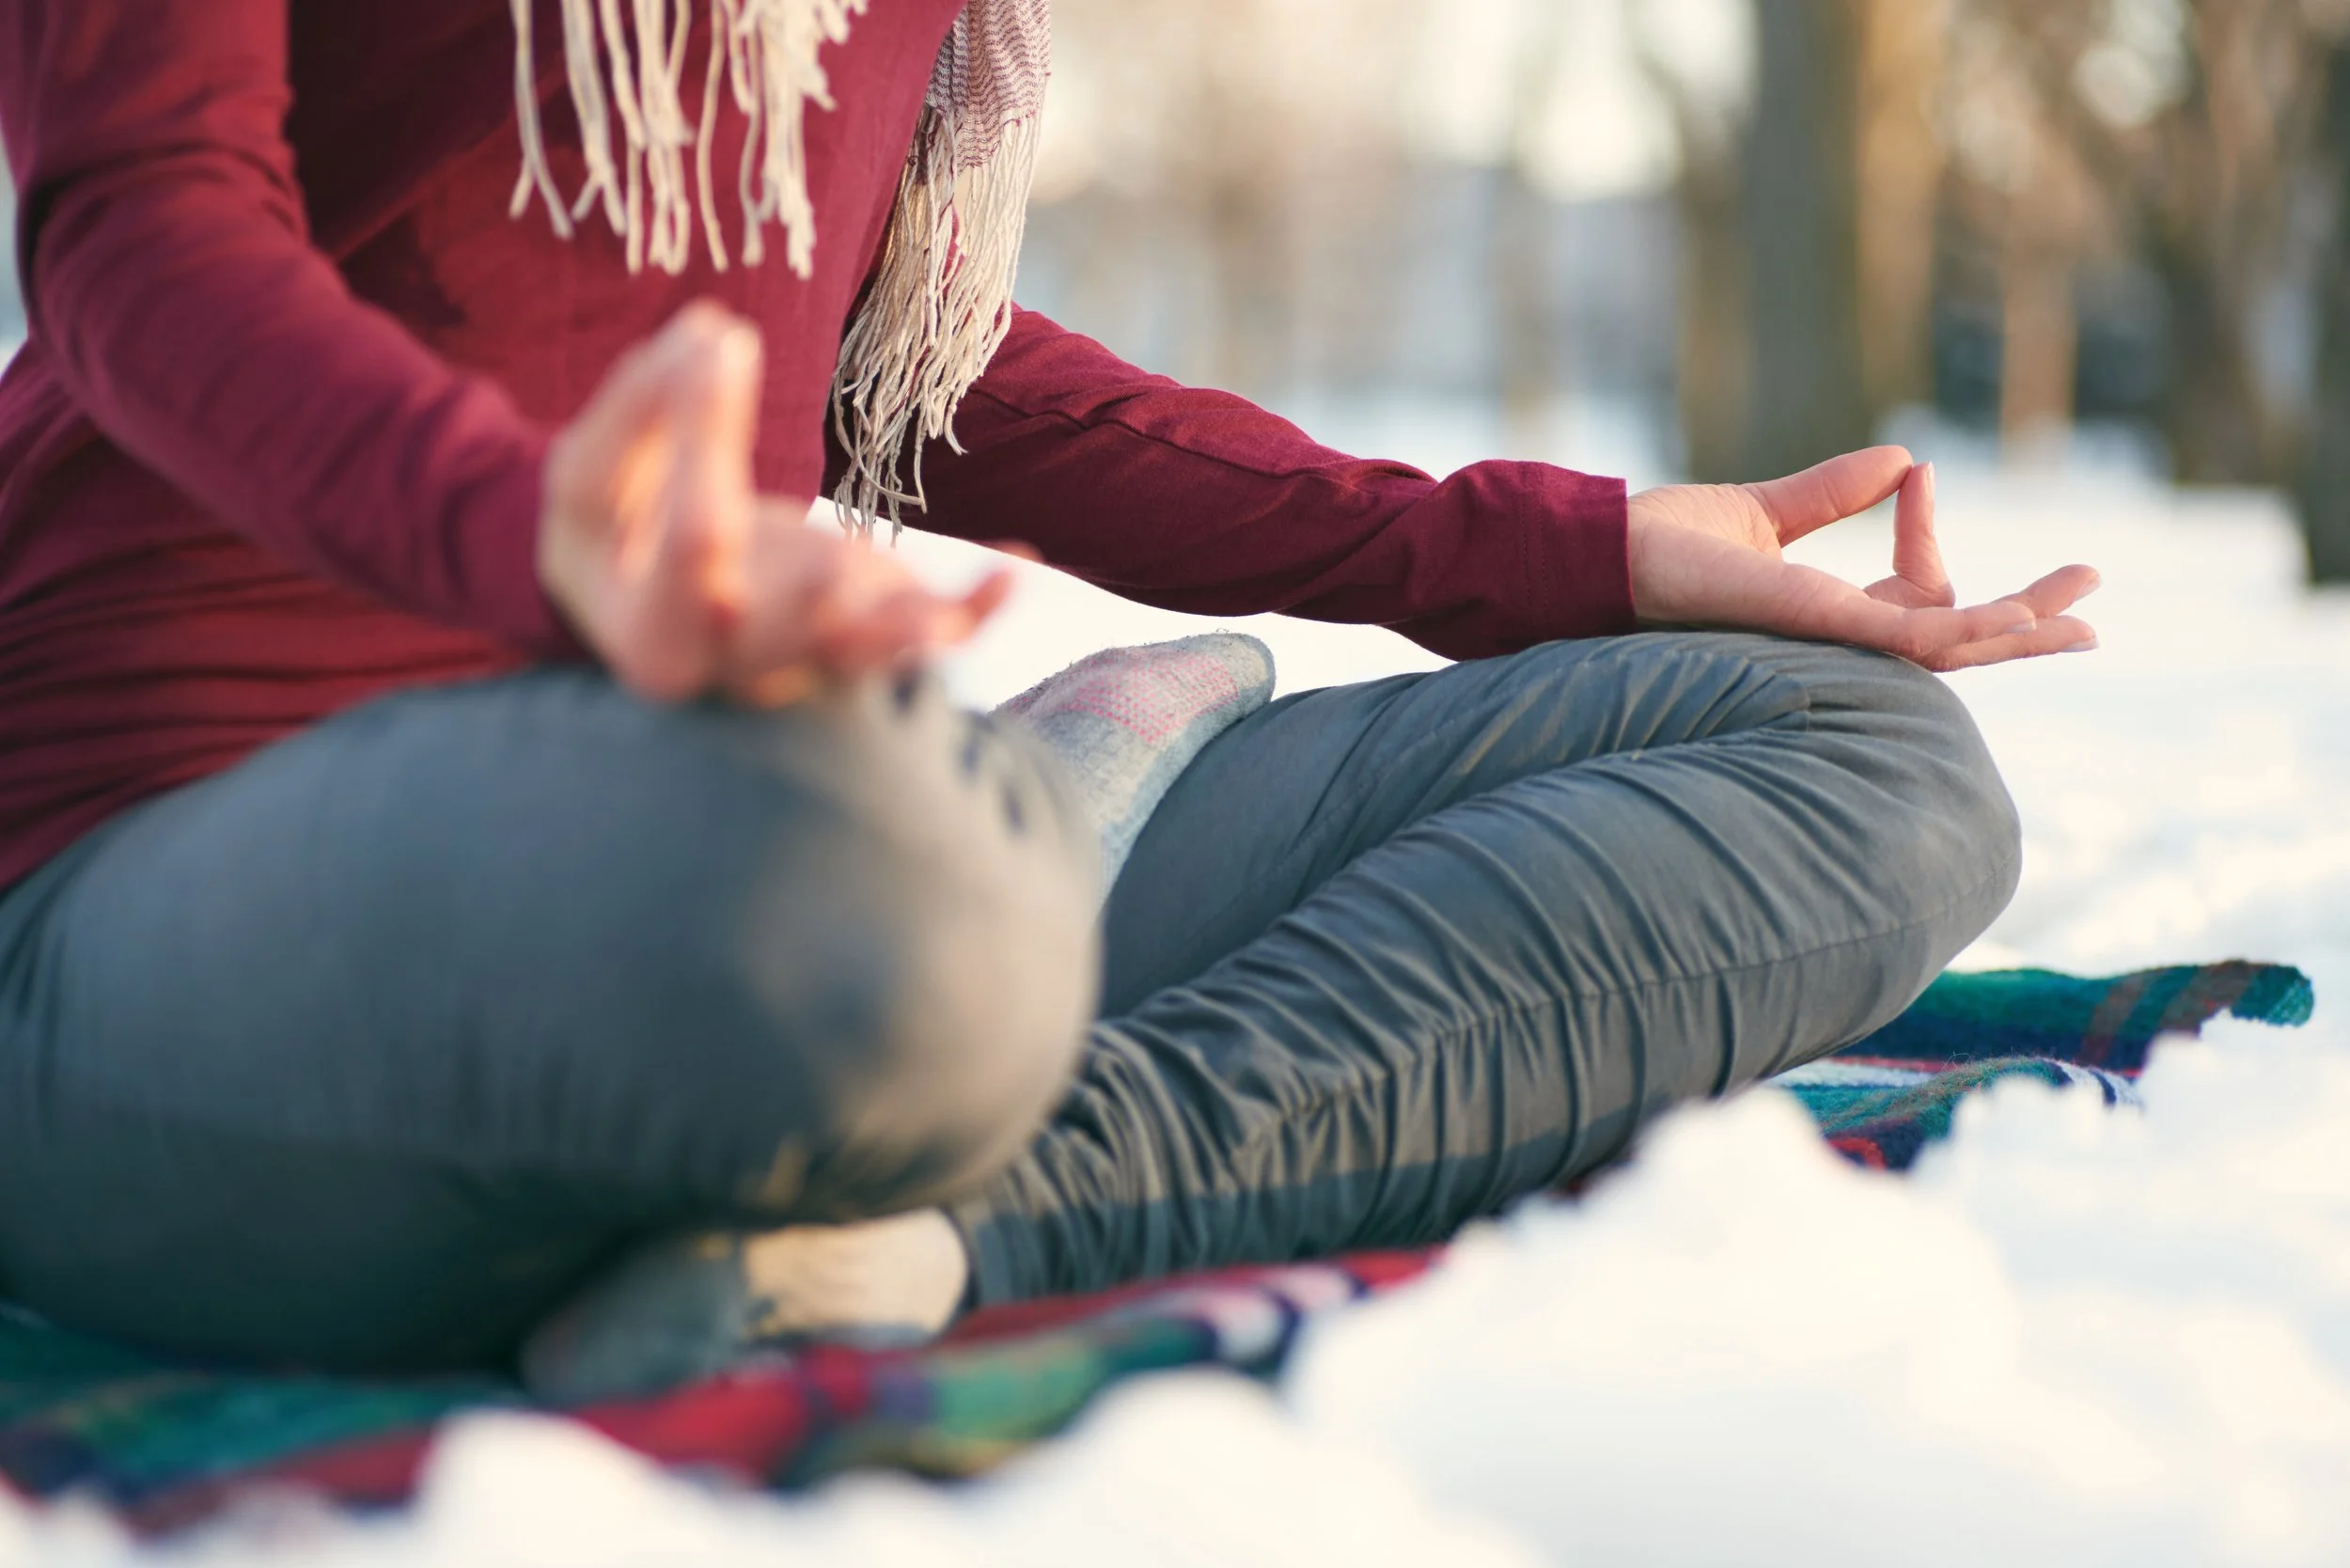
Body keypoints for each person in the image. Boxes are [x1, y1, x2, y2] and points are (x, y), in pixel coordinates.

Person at [0, 0, 2097, 1382]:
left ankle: (947, 1224)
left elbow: (908, 357)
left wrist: (1551, 549)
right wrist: (539, 532)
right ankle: (1001, 837)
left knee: (1870, 765)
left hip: (767, 858)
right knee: (876, 885)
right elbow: (135, 239)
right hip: (172, 884)